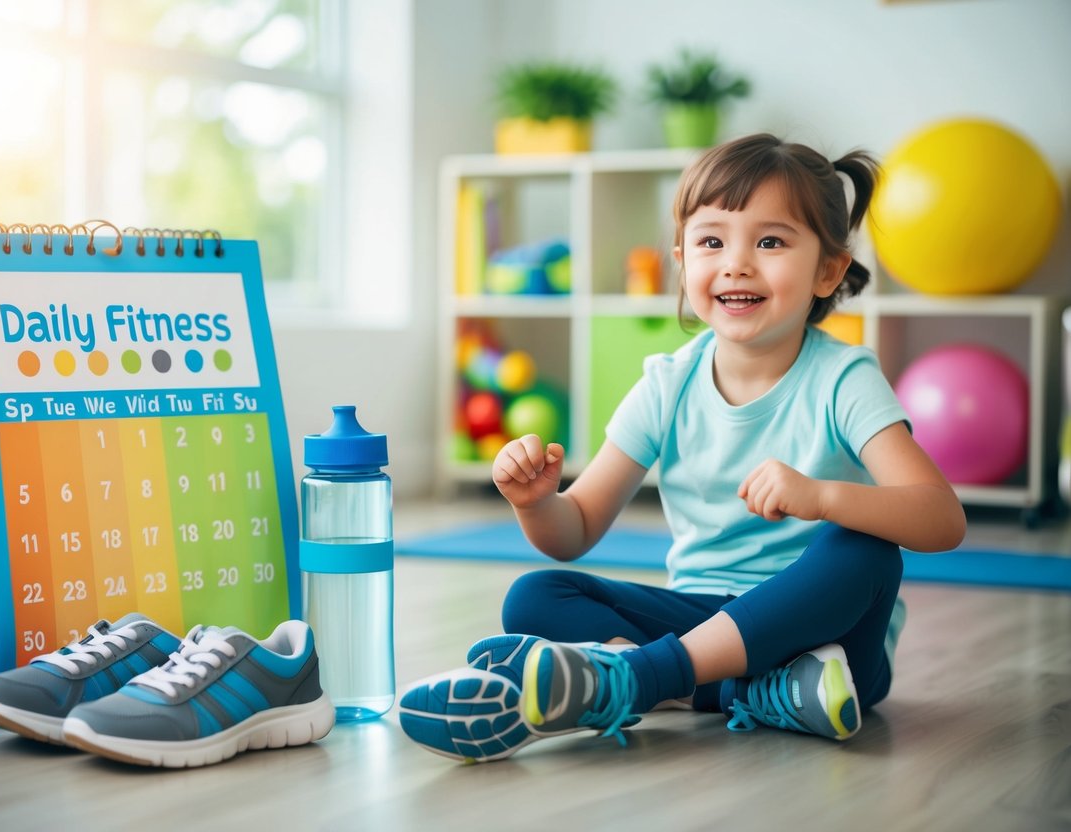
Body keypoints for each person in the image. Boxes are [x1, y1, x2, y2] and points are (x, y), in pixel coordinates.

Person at [398, 133, 967, 764]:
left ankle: (638, 680)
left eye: (771, 241)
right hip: (701, 622)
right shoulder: (667, 382)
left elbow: (941, 518)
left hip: (828, 646)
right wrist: (536, 504)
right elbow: (576, 527)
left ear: (827, 270)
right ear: (682, 259)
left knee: (867, 550)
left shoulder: (844, 379)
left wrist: (824, 497)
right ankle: (744, 692)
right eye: (712, 241)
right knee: (533, 596)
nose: (737, 263)